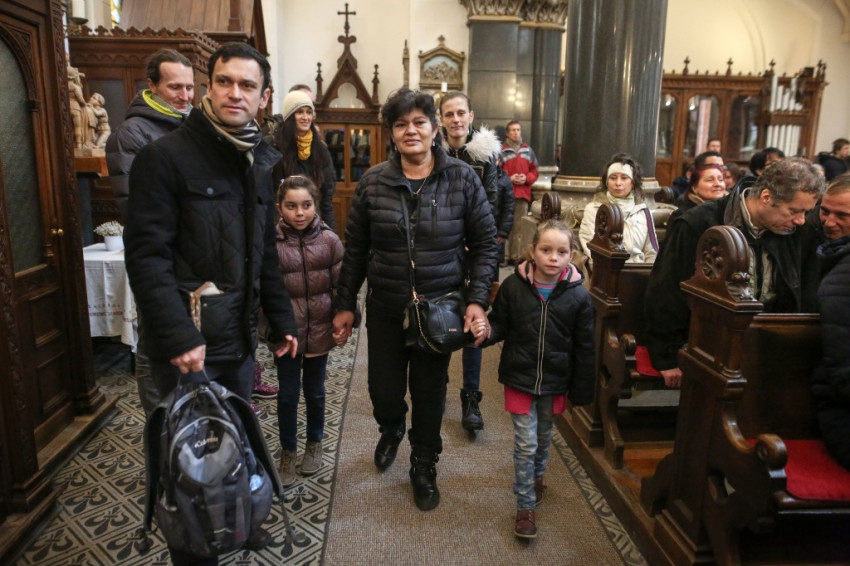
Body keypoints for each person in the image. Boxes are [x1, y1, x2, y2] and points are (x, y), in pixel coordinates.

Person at [125, 42, 298, 565]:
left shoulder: (259, 159)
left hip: (236, 342)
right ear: (209, 86)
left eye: (247, 85)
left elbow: (262, 252)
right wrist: (178, 335)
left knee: (234, 449)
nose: (234, 93)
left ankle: (238, 523)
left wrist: (280, 319)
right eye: (225, 81)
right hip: (186, 349)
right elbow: (147, 257)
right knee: (190, 471)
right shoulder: (165, 157)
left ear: (264, 98)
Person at [332, 88, 497, 511]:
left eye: (419, 122)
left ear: (434, 128)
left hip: (438, 309)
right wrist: (345, 303)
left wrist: (477, 299)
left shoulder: (462, 179)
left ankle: (424, 464)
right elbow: (355, 250)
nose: (411, 131)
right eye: (401, 124)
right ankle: (391, 428)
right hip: (386, 306)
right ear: (391, 132)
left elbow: (485, 244)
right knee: (383, 390)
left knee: (429, 394)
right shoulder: (373, 182)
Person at [644, 157, 824, 388]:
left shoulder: (799, 232)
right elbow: (667, 291)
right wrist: (667, 356)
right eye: (794, 211)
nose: (800, 220)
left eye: (806, 212)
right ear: (766, 197)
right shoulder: (699, 222)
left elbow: (807, 292)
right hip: (711, 343)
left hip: (771, 345)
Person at [476, 219, 594, 539]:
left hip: (555, 380)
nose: (553, 257)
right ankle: (525, 504)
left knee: (543, 439)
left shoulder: (579, 297)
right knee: (526, 443)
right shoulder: (514, 287)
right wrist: (484, 333)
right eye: (546, 250)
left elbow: (585, 347)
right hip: (520, 376)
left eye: (561, 252)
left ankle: (537, 477)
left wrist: (582, 390)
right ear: (532, 251)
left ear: (571, 256)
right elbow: (499, 324)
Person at [105, 48, 195, 416]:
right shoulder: (132, 134)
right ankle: (162, 435)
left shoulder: (193, 126)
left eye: (190, 87)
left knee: (192, 349)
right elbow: (139, 211)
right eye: (175, 87)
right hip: (159, 263)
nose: (185, 96)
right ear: (152, 85)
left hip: (194, 264)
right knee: (158, 352)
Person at [273, 175, 347, 486]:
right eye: (291, 206)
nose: (300, 213)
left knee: (315, 392)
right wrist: (273, 329)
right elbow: (265, 294)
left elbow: (342, 288)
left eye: (306, 205)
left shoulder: (329, 241)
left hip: (319, 328)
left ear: (316, 205)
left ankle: (314, 443)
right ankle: (288, 451)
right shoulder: (271, 244)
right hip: (286, 334)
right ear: (279, 207)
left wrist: (343, 320)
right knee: (287, 394)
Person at [439, 91, 503, 433]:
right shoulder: (432, 153)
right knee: (438, 315)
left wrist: (475, 238)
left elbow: (490, 202)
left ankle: (471, 396)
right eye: (449, 114)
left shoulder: (485, 154)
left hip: (475, 248)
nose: (456, 119)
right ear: (441, 119)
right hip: (441, 249)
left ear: (471, 115)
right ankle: (437, 385)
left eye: (460, 113)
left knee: (474, 317)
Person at [811, 173, 850, 470]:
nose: (828, 222)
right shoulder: (840, 280)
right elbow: (843, 370)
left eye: (842, 216)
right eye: (825, 211)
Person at [578, 153, 658, 264]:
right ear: (606, 182)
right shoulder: (594, 209)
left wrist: (649, 271)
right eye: (613, 178)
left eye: (624, 178)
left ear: (633, 182)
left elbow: (652, 251)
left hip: (638, 269)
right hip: (604, 269)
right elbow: (589, 247)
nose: (618, 183)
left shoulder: (643, 212)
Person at [272, 90, 336, 230]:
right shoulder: (273, 146)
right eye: (299, 112)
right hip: (280, 227)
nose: (306, 117)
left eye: (309, 112)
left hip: (313, 227)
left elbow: (326, 198)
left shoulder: (320, 149)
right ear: (289, 116)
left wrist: (329, 232)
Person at [502, 120, 539, 263]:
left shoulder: (527, 150)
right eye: (513, 130)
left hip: (522, 194)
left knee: (519, 227)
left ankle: (516, 256)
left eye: (518, 130)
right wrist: (508, 178)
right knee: (505, 226)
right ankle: (504, 257)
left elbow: (534, 171)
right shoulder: (501, 150)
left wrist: (526, 178)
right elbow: (496, 172)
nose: (516, 132)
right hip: (506, 194)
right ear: (507, 133)